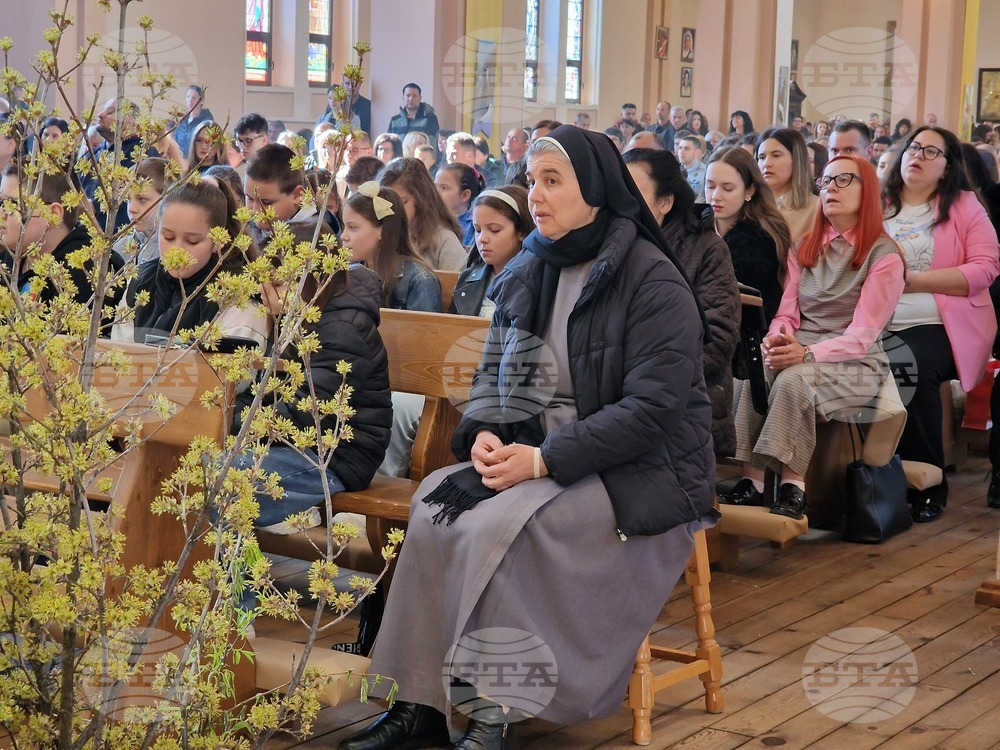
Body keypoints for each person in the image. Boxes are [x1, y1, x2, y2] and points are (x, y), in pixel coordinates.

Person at [337, 123, 715, 750]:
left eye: (552, 181)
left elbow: (652, 411)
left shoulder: (653, 280)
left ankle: (493, 712)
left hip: (639, 470)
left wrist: (543, 459)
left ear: (593, 190)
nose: (535, 195)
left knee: (499, 528)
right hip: (537, 454)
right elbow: (493, 374)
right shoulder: (530, 267)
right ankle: (419, 706)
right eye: (532, 181)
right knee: (434, 504)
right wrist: (484, 432)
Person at [722, 156, 906, 518]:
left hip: (858, 362)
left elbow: (861, 337)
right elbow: (788, 313)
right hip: (803, 347)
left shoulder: (884, 256)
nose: (831, 188)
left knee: (793, 381)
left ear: (867, 190)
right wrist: (776, 339)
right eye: (826, 181)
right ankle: (752, 481)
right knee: (753, 370)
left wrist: (804, 353)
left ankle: (794, 487)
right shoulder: (804, 246)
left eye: (844, 180)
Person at [882, 126, 1000, 521]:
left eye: (931, 152)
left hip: (942, 324)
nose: (917, 155)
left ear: (948, 168)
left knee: (907, 363)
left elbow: (985, 269)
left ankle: (928, 484)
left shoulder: (964, 205)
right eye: (914, 147)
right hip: (873, 320)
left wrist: (914, 281)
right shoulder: (877, 204)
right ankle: (859, 479)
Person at [236, 253, 392, 536]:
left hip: (337, 456)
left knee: (226, 478)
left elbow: (305, 412)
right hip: (301, 444)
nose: (263, 290)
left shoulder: (342, 328)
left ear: (310, 283)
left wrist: (235, 420)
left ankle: (239, 573)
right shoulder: (297, 317)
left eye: (278, 283)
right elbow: (269, 393)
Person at [623, 148, 740, 456]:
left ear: (665, 201)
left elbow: (719, 336)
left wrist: (650, 377)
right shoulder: (614, 247)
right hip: (625, 396)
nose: (622, 200)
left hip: (688, 398)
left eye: (633, 191)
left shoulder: (707, 249)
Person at [112, 179, 268, 348]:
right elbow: (119, 355)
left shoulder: (238, 298)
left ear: (218, 241)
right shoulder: (140, 279)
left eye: (192, 241)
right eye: (168, 237)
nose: (177, 251)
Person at [0, 163, 125, 328]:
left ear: (53, 215)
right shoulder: (8, 257)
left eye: (13, 205)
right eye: (1, 202)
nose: (2, 214)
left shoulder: (85, 274)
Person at [705, 146, 790, 322]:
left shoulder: (764, 237)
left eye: (727, 188)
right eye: (710, 186)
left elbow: (761, 306)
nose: (715, 196)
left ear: (749, 191)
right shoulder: (692, 228)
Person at [340, 182, 441, 312]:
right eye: (344, 226)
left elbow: (425, 331)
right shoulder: (349, 272)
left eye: (352, 227)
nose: (343, 236)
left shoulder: (420, 281)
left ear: (381, 231)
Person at [449, 185, 533, 317]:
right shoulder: (467, 280)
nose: (482, 239)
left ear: (521, 232)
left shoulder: (535, 282)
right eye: (477, 230)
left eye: (494, 230)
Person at [377, 157, 468, 271]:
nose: (393, 210)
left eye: (402, 202)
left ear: (421, 201)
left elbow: (458, 284)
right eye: (385, 204)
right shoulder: (377, 236)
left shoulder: (443, 239)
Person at [755, 127, 820, 243]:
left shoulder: (815, 207)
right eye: (761, 157)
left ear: (796, 159)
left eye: (776, 155)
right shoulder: (749, 204)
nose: (766, 164)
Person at [114, 156, 169, 266]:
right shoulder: (120, 248)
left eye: (142, 199)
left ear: (167, 200)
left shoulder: (172, 252)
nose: (131, 208)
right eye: (128, 199)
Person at [435, 162, 485, 246]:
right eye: (434, 186)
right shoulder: (431, 220)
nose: (435, 192)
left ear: (464, 195)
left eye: (444, 188)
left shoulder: (473, 226)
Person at [173, 85, 214, 156]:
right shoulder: (182, 121)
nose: (190, 100)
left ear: (201, 100)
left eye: (194, 97)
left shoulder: (207, 122)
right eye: (188, 97)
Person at [677, 134, 707, 201]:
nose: (681, 152)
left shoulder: (705, 172)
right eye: (680, 148)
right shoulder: (675, 170)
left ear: (697, 152)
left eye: (686, 148)